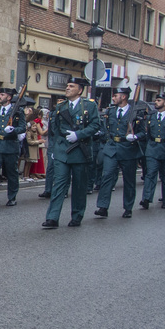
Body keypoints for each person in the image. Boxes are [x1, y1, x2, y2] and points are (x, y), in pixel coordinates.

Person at [42, 76, 101, 228]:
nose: (67, 88)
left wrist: (79, 135)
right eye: (67, 85)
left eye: (71, 86)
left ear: (80, 90)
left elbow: (95, 126)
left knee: (79, 186)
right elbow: (54, 130)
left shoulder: (89, 106)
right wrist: (54, 149)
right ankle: (52, 218)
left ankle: (77, 215)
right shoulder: (61, 107)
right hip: (63, 150)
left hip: (80, 151)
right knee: (59, 185)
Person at [94, 85, 143, 219]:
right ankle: (103, 207)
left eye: (116, 95)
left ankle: (128, 207)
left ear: (124, 96)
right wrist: (100, 134)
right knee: (107, 176)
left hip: (128, 148)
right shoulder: (110, 111)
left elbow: (144, 132)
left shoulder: (136, 112)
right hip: (112, 148)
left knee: (129, 180)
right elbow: (105, 128)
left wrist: (136, 136)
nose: (114, 98)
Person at [140, 93, 165, 210]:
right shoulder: (151, 116)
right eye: (156, 100)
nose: (156, 102)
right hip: (153, 148)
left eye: (159, 100)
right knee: (150, 174)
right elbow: (148, 133)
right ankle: (146, 198)